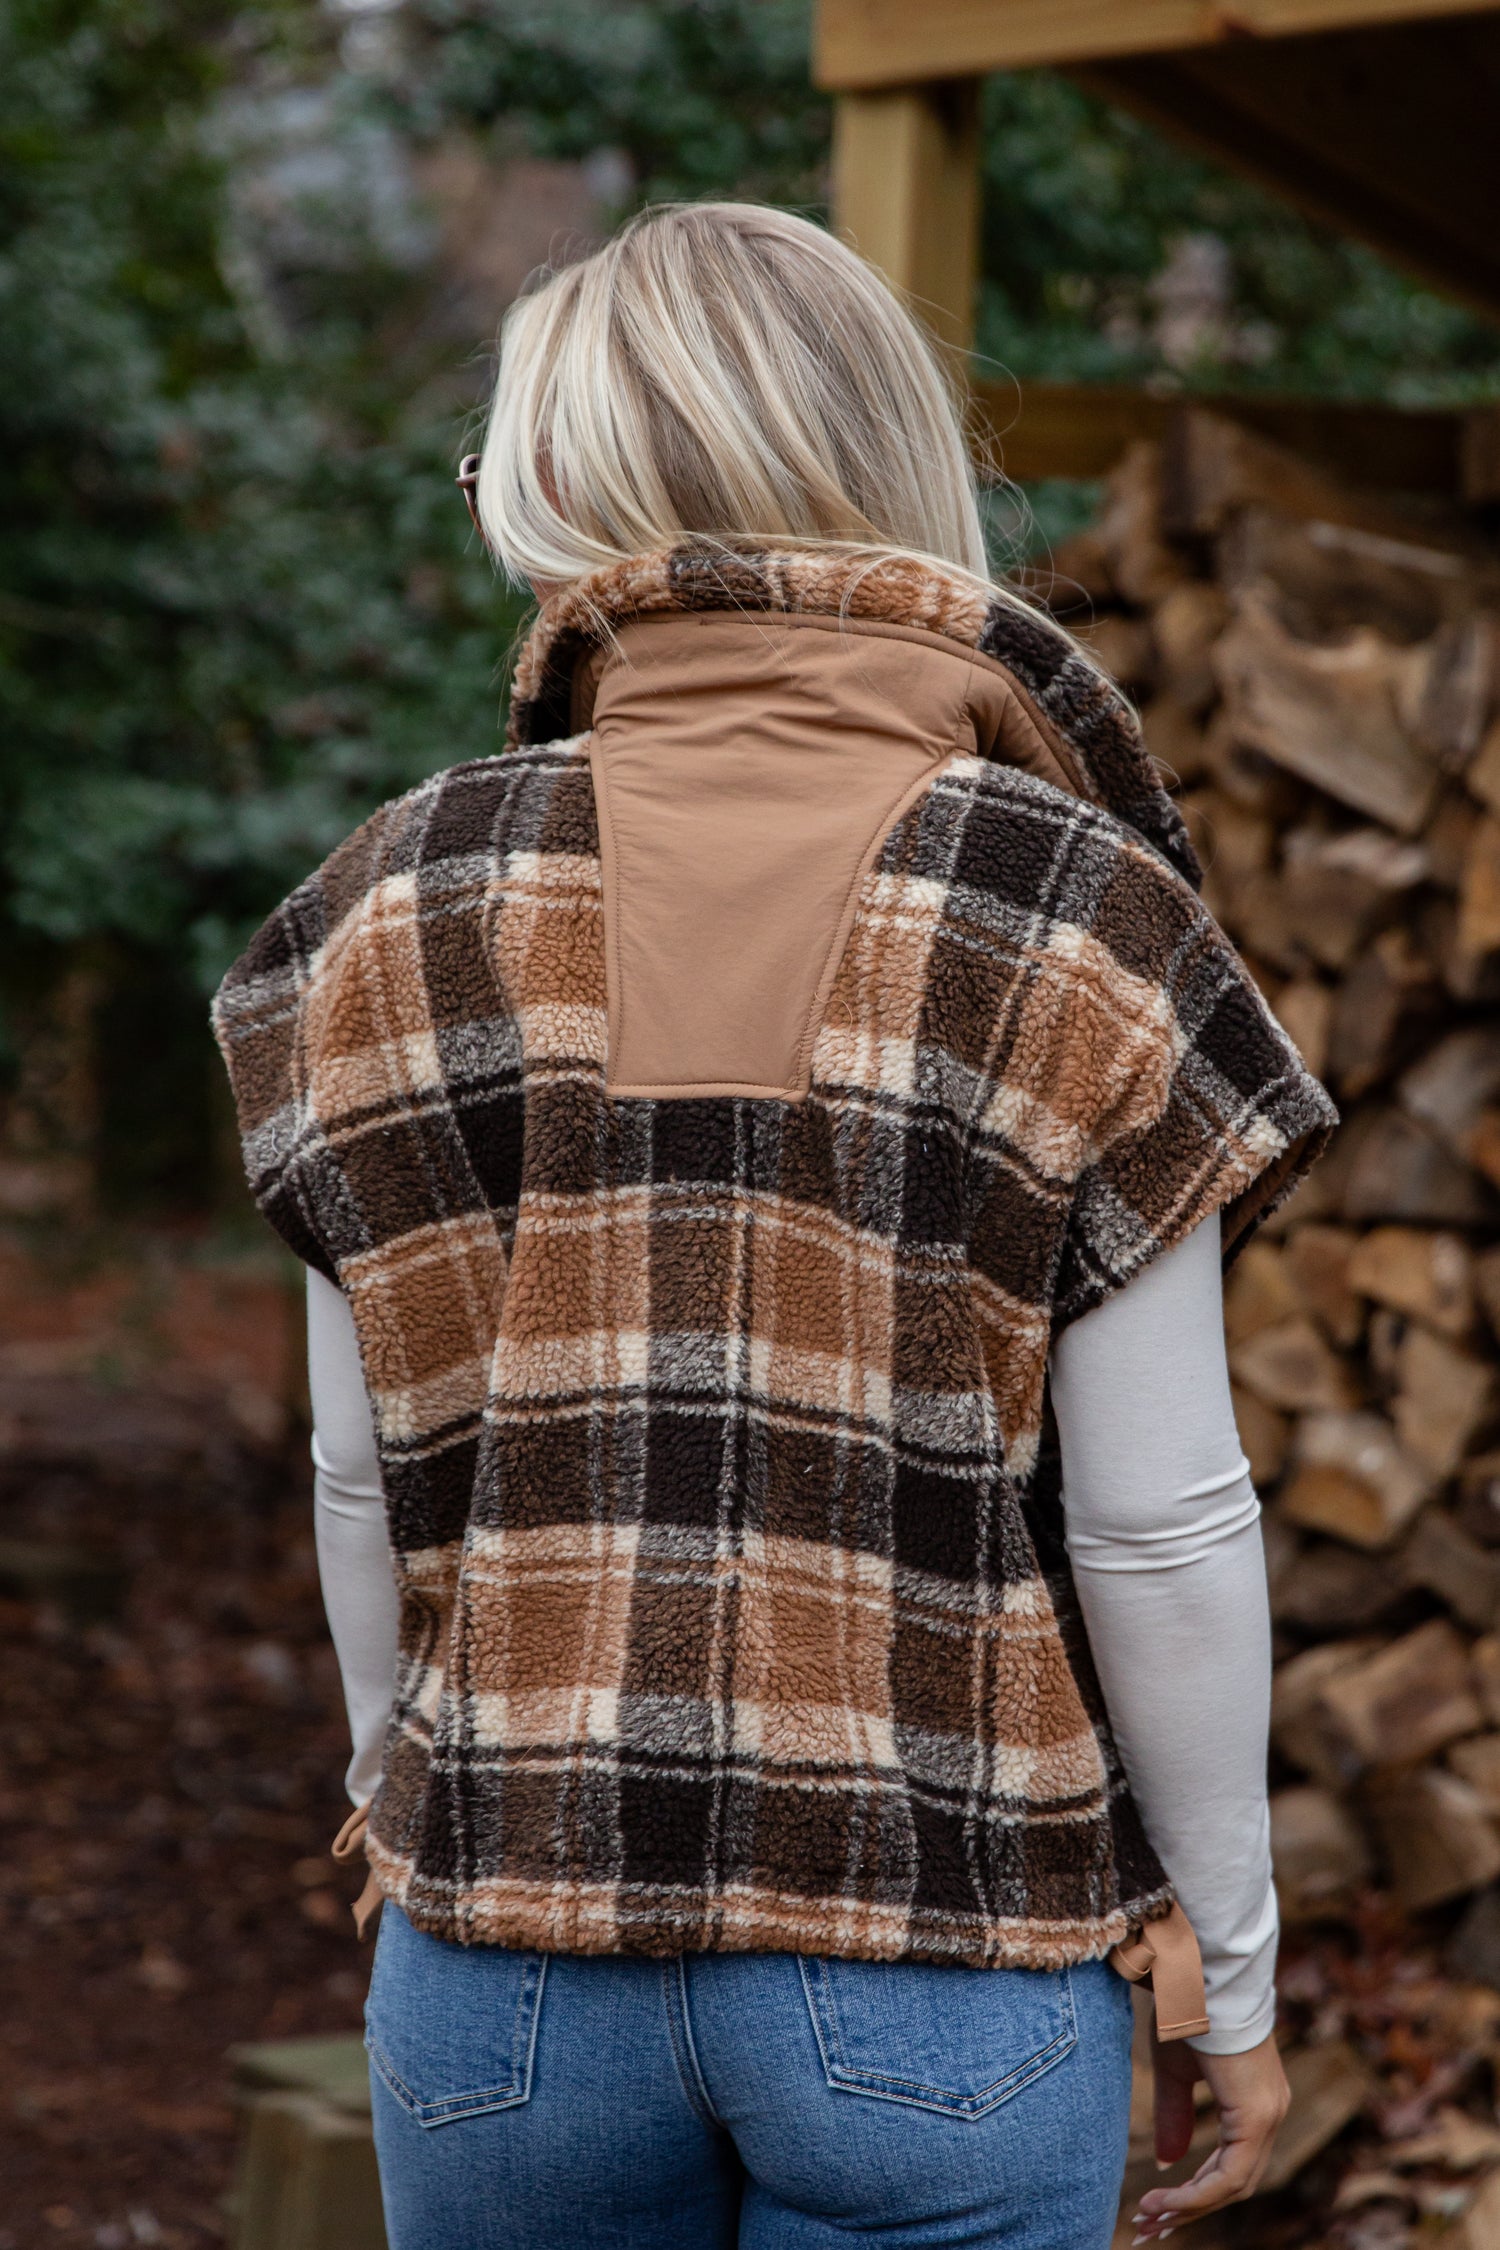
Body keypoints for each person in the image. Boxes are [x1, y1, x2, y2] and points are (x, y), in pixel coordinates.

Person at [214, 201, 1335, 2250]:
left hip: (506, 1977)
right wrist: (1238, 1974)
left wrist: (404, 1796)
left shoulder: (382, 910)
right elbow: (1161, 1522)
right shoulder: (1069, 908)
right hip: (941, 1963)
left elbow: (356, 1473)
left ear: (562, 490)